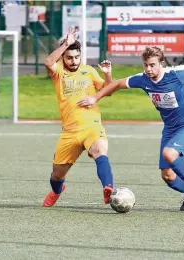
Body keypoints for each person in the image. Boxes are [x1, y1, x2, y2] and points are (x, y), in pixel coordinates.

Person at [76, 46, 184, 211]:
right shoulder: (142, 79)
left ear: (161, 64)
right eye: (146, 65)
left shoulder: (177, 74)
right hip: (170, 128)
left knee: (169, 153)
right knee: (167, 175)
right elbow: (117, 84)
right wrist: (95, 98)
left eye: (152, 65)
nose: (149, 69)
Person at [42, 27, 115, 207]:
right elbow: (48, 61)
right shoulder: (58, 72)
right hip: (70, 132)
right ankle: (57, 190)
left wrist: (107, 74)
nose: (73, 61)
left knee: (100, 150)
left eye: (76, 57)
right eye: (69, 57)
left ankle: (109, 189)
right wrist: (65, 44)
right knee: (56, 175)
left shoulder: (89, 71)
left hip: (92, 126)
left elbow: (108, 90)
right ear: (63, 57)